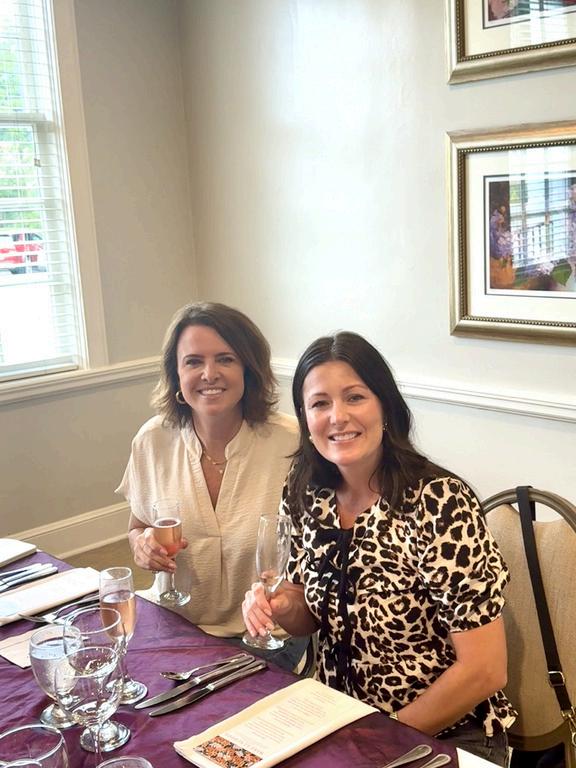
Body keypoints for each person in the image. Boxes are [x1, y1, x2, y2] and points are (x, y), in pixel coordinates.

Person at [243, 332, 516, 764]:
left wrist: (381, 738)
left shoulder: (438, 502)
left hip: (446, 733)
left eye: (355, 397)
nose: (338, 416)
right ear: (305, 418)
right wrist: (280, 605)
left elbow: (485, 670)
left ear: (385, 405)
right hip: (337, 721)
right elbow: (307, 615)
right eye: (319, 403)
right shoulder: (305, 488)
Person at [117, 301, 302, 667]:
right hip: (174, 626)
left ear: (249, 367)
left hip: (265, 635)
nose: (209, 373)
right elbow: (137, 526)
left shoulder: (292, 442)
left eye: (225, 359)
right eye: (193, 361)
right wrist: (142, 548)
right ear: (176, 373)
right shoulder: (152, 440)